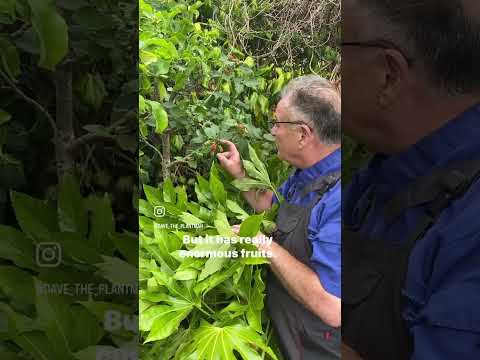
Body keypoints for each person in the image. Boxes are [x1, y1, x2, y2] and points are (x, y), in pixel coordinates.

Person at [341, 1, 480, 359]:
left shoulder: (469, 224)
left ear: (389, 74)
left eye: (340, 51)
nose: (333, 79)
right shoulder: (381, 172)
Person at [217, 75, 342, 359]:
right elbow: (272, 208)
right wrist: (239, 173)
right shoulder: (306, 174)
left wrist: (264, 245)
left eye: (278, 123)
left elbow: (333, 306)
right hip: (290, 339)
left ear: (302, 134)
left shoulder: (340, 198)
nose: (272, 131)